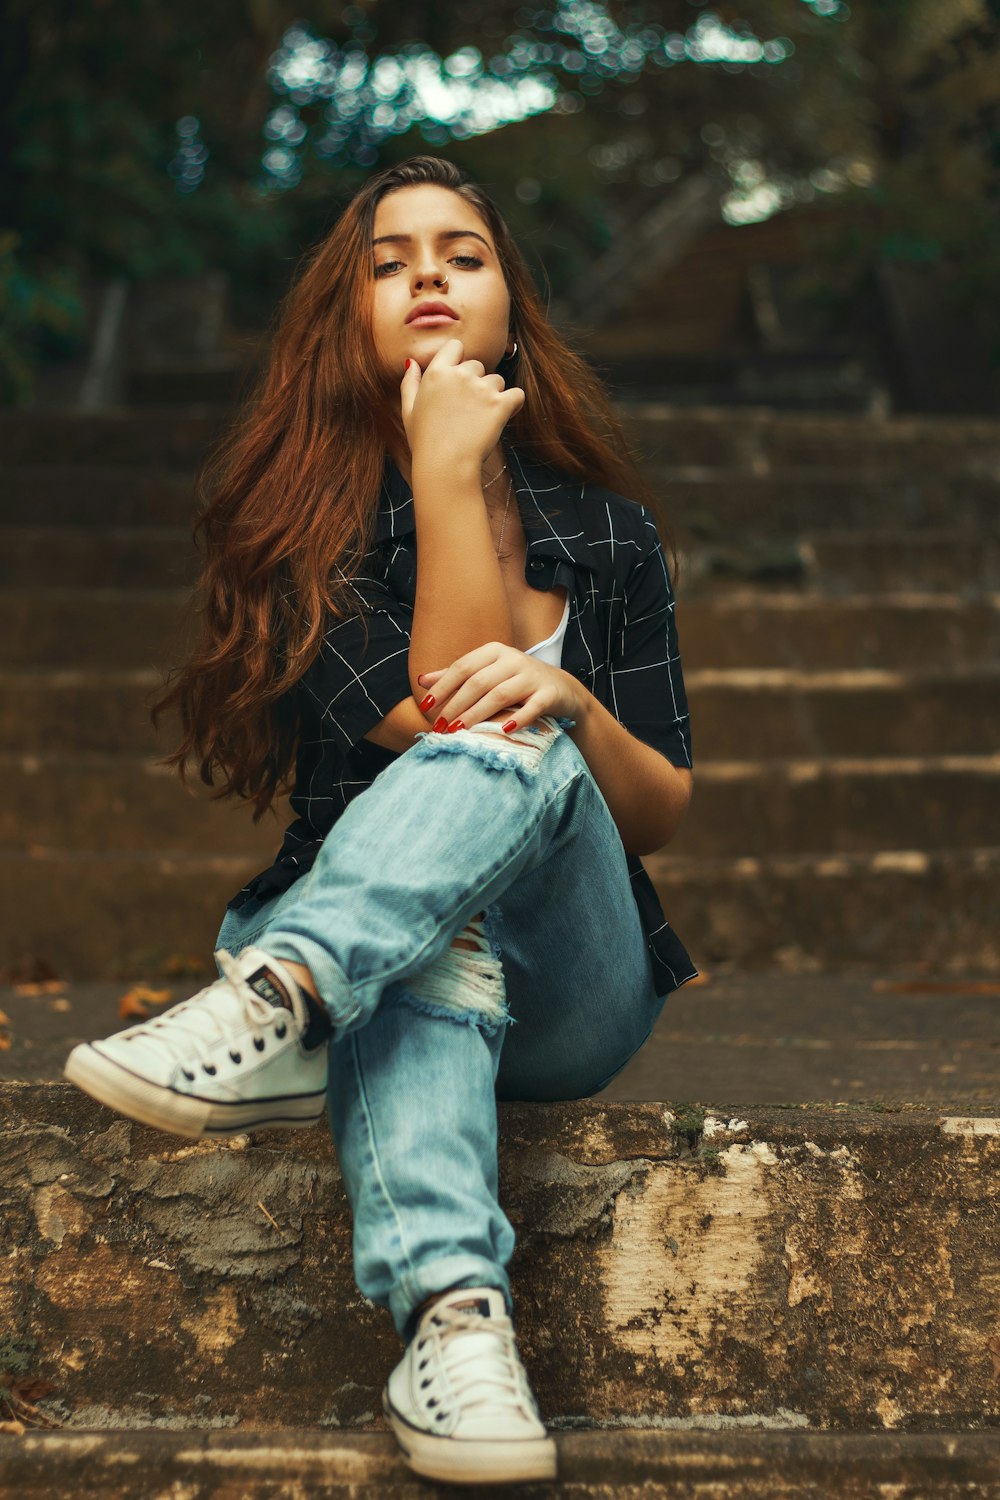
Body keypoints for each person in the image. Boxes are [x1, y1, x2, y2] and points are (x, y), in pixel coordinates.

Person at [63, 154, 697, 1486]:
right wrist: (439, 465)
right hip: (404, 948)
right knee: (423, 947)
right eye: (391, 257)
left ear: (511, 307)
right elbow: (442, 722)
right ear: (349, 316)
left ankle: (281, 998)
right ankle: (456, 1331)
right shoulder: (303, 525)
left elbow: (657, 809)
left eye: (462, 254)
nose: (427, 275)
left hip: (581, 982)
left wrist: (574, 699)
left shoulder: (615, 536)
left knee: (528, 728)